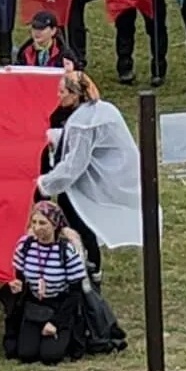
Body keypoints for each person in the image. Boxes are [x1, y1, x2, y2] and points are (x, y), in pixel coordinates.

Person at [36, 69, 143, 285]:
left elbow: (74, 164)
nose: (58, 96)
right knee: (77, 219)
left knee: (81, 224)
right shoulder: (96, 111)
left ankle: (90, 270)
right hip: (105, 175)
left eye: (62, 92)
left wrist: (44, 184)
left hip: (97, 179)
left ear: (75, 95)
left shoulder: (83, 122)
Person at [1, 202, 87, 366]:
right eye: (34, 222)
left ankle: (65, 335)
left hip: (59, 305)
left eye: (42, 223)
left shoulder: (67, 251)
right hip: (34, 305)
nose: (37, 228)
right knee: (26, 354)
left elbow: (75, 293)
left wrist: (56, 322)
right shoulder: (25, 246)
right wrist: (15, 284)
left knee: (50, 356)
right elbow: (18, 275)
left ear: (54, 225)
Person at [14, 11, 79, 69]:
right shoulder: (25, 51)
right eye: (34, 27)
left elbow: (79, 75)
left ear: (53, 31)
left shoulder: (64, 54)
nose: (37, 32)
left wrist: (71, 70)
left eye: (42, 28)